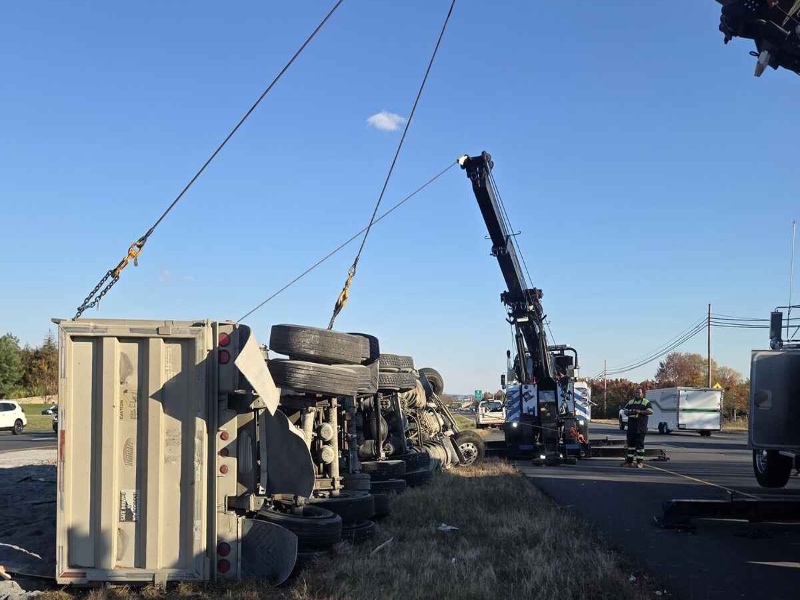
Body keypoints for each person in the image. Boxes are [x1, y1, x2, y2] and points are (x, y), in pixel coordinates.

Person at [622, 388, 653, 468]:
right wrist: (629, 412)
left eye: (639, 393)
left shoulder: (646, 402)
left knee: (639, 446)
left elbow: (650, 411)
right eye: (636, 392)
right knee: (630, 445)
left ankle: (640, 462)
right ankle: (629, 462)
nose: (637, 394)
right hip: (631, 427)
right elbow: (625, 410)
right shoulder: (631, 402)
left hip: (641, 428)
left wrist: (640, 412)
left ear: (642, 394)